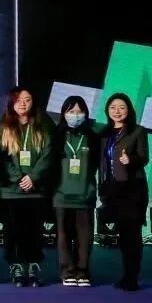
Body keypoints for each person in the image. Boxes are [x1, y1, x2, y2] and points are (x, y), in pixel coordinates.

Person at [0, 86, 53, 288]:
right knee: (12, 231)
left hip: (36, 191)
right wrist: (20, 178)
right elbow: (1, 157)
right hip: (11, 191)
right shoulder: (3, 128)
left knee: (34, 231)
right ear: (12, 103)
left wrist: (33, 177)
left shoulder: (43, 127)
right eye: (18, 100)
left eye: (27, 99)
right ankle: (16, 266)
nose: (23, 103)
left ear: (33, 102)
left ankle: (33, 266)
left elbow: (48, 155)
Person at [98, 93, 149, 292]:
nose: (117, 111)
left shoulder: (137, 131)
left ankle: (132, 278)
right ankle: (126, 275)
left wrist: (131, 160)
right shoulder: (104, 133)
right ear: (107, 111)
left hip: (132, 190)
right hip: (112, 190)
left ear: (128, 110)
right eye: (113, 107)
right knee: (122, 235)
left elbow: (144, 157)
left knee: (132, 235)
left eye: (121, 107)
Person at [52, 96, 99, 287]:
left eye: (80, 111)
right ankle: (68, 271)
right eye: (71, 111)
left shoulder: (93, 137)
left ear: (86, 114)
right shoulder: (56, 136)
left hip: (85, 194)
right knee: (63, 235)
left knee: (85, 236)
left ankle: (83, 271)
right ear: (64, 114)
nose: (75, 115)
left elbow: (98, 165)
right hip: (61, 194)